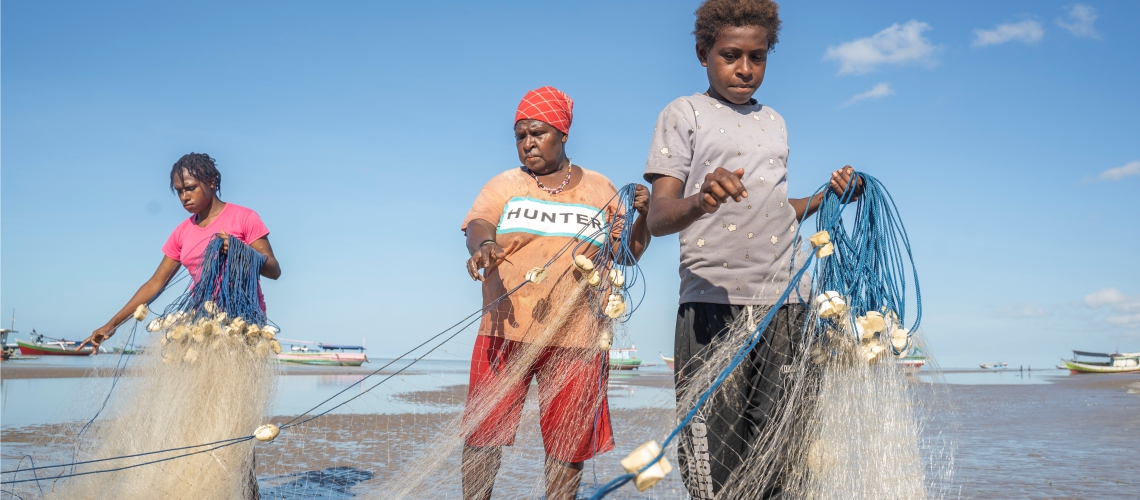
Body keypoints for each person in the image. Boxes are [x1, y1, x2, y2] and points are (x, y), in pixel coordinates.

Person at [642, 1, 860, 498]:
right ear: (703, 53)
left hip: (787, 305)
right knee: (714, 459)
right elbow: (658, 219)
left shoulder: (775, 122)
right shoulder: (683, 114)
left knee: (783, 455)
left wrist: (829, 197)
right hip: (711, 308)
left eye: (757, 57)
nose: (745, 69)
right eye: (730, 55)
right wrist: (704, 198)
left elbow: (776, 207)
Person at [461, 86, 651, 500]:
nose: (527, 143)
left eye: (537, 133)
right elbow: (479, 223)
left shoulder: (601, 189)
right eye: (520, 136)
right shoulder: (505, 184)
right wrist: (483, 246)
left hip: (579, 336)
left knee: (568, 444)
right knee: (483, 433)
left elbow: (626, 256)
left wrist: (645, 217)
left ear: (562, 135)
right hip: (504, 331)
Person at [79, 153, 281, 353]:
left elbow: (274, 270)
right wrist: (112, 324)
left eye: (191, 188)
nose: (185, 197)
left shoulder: (244, 218)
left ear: (211, 182)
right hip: (201, 325)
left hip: (243, 325)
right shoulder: (181, 232)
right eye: (179, 191)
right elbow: (155, 283)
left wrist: (241, 252)